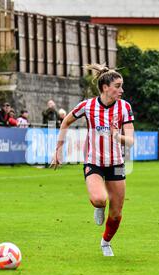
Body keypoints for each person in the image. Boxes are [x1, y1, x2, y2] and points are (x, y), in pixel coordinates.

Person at [50, 63, 135, 257]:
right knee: (99, 199)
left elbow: (130, 141)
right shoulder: (88, 106)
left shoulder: (124, 108)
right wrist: (58, 150)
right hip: (93, 161)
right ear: (106, 87)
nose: (122, 90)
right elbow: (66, 121)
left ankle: (105, 242)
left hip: (116, 163)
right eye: (118, 86)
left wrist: (117, 136)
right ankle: (99, 206)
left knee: (116, 213)